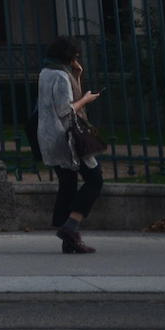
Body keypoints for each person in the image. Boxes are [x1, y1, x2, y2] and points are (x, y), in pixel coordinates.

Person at [37, 36, 102, 255]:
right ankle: (71, 226)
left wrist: (78, 75)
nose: (77, 58)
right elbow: (66, 109)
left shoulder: (46, 72)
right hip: (68, 139)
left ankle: (70, 240)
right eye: (75, 55)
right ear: (68, 56)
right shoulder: (60, 76)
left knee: (68, 183)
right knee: (95, 180)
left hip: (48, 137)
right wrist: (87, 100)